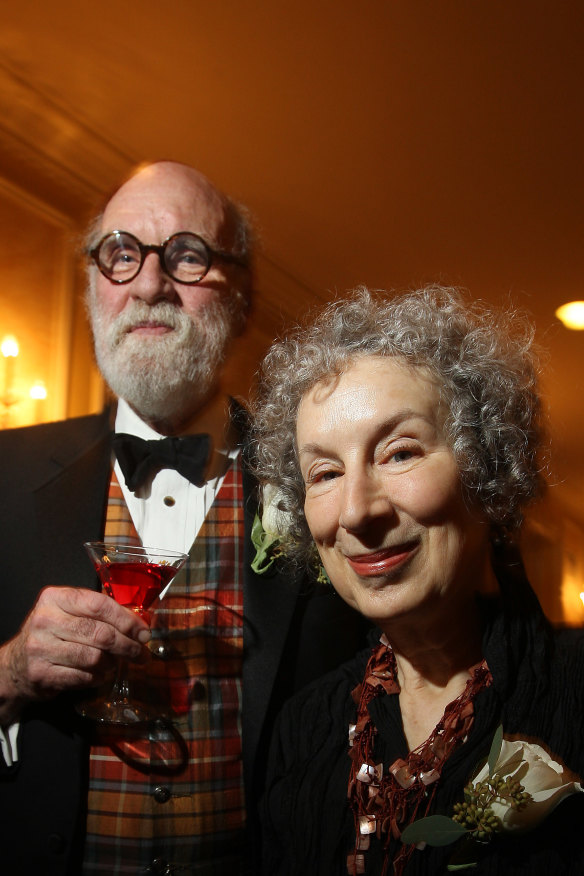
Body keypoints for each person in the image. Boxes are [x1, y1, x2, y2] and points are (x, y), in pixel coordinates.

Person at [0, 161, 367, 875]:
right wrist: (10, 672)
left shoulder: (323, 484)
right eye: (121, 254)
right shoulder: (2, 475)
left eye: (188, 256)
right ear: (92, 288)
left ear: (243, 296)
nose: (147, 285)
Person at [251, 286, 584, 875]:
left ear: (486, 473)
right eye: (324, 472)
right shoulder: (305, 728)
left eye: (399, 453)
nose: (356, 511)